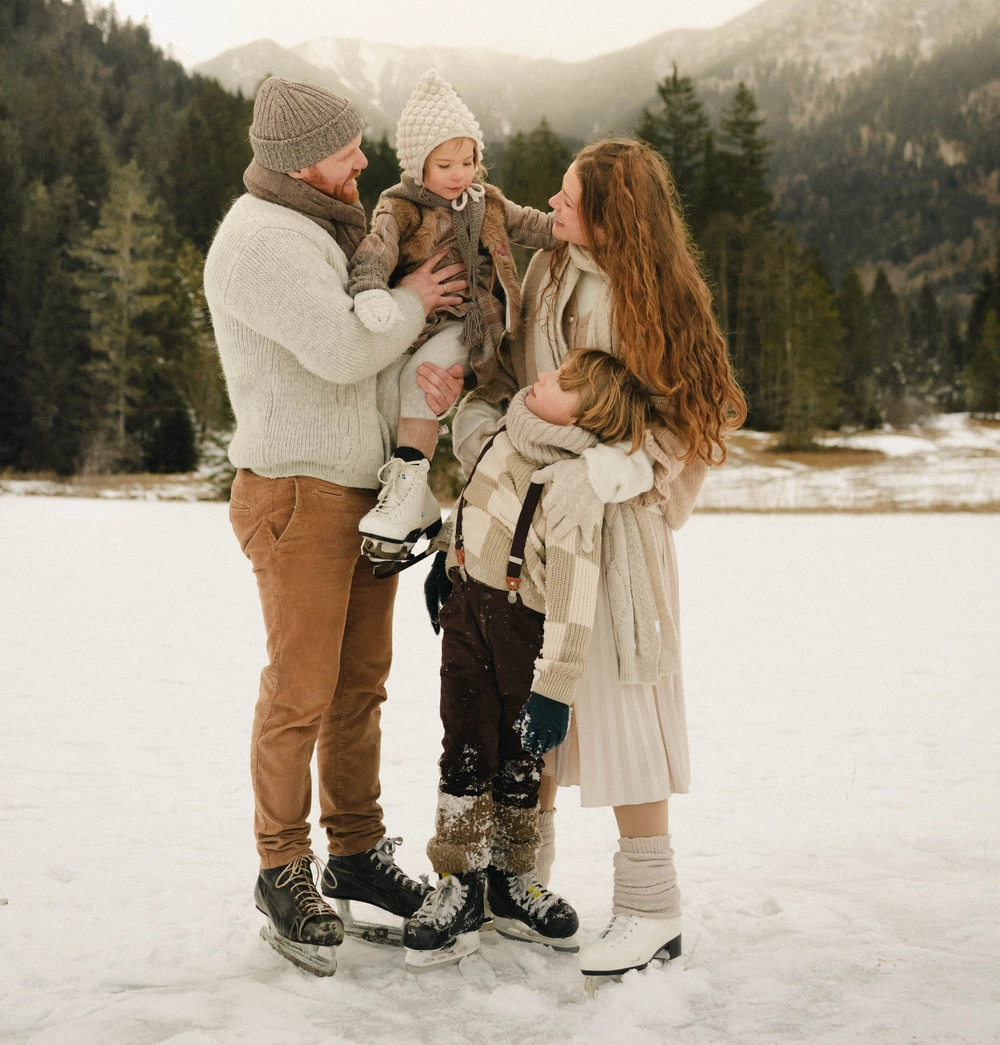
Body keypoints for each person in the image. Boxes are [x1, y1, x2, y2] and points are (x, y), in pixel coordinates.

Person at [446, 137, 746, 986]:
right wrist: (488, 445)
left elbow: (690, 422)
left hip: (617, 537)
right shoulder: (547, 274)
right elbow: (506, 380)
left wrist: (612, 472)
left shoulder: (661, 301)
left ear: (615, 217)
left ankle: (651, 908)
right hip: (529, 530)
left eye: (571, 197)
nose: (554, 204)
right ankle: (521, 883)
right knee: (529, 703)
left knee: (619, 710)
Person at [203, 76, 466, 977]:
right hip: (298, 493)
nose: (364, 160)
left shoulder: (324, 227)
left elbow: (367, 363)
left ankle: (354, 851)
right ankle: (282, 867)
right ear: (299, 160)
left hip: (360, 491)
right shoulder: (261, 240)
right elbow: (347, 348)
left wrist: (423, 394)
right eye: (347, 149)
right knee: (301, 691)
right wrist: (418, 298)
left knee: (359, 689)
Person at [404, 349, 663, 971]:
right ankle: (459, 881)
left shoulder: (574, 484)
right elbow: (475, 503)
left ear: (588, 416)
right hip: (467, 611)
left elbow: (575, 597)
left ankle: (511, 879)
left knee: (520, 757)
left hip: (523, 624)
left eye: (563, 381)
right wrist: (446, 554)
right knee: (464, 745)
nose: (543, 376)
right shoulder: (505, 433)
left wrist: (555, 688)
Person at [346, 69, 555, 556]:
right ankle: (413, 497)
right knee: (387, 388)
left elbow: (535, 226)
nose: (461, 174)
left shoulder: (486, 202)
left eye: (469, 160)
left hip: (472, 323)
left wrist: (580, 225)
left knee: (421, 377)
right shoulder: (401, 207)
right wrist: (371, 290)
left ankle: (407, 498)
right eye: (445, 165)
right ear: (418, 165)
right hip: (418, 322)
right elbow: (376, 249)